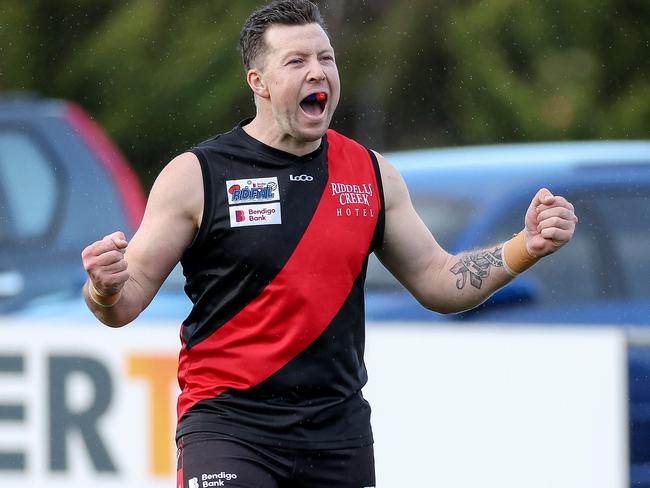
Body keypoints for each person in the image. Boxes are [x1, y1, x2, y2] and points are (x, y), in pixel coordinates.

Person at [81, 1, 578, 487]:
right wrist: (103, 288)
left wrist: (524, 247)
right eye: (296, 61)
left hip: (337, 437)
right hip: (230, 426)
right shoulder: (197, 176)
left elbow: (437, 279)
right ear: (258, 82)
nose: (317, 72)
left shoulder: (371, 173)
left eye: (326, 58)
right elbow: (123, 302)